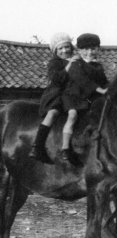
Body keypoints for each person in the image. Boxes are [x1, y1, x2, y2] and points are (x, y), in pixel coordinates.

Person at [29, 32, 79, 163]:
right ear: (55, 51)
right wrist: (68, 65)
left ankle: (68, 148)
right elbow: (56, 79)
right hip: (56, 93)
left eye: (66, 47)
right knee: (52, 113)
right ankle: (37, 147)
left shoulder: (77, 60)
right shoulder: (54, 63)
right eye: (60, 48)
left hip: (71, 94)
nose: (64, 51)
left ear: (71, 47)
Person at [59, 33, 108, 161]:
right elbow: (82, 81)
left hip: (90, 97)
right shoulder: (76, 63)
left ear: (98, 49)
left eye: (93, 49)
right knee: (72, 115)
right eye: (85, 49)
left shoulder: (98, 66)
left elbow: (104, 81)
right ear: (79, 50)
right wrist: (101, 90)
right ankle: (65, 147)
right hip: (73, 96)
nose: (89, 52)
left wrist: (110, 89)